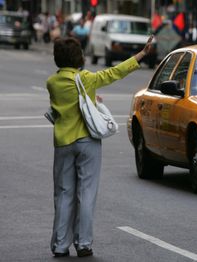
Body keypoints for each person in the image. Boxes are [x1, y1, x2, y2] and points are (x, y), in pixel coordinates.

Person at [47, 35, 153, 257]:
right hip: (87, 142)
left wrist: (92, 99)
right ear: (78, 57)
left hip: (63, 143)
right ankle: (83, 244)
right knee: (86, 194)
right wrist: (141, 54)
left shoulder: (52, 83)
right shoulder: (86, 79)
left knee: (64, 194)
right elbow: (115, 72)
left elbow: (63, 109)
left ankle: (60, 245)